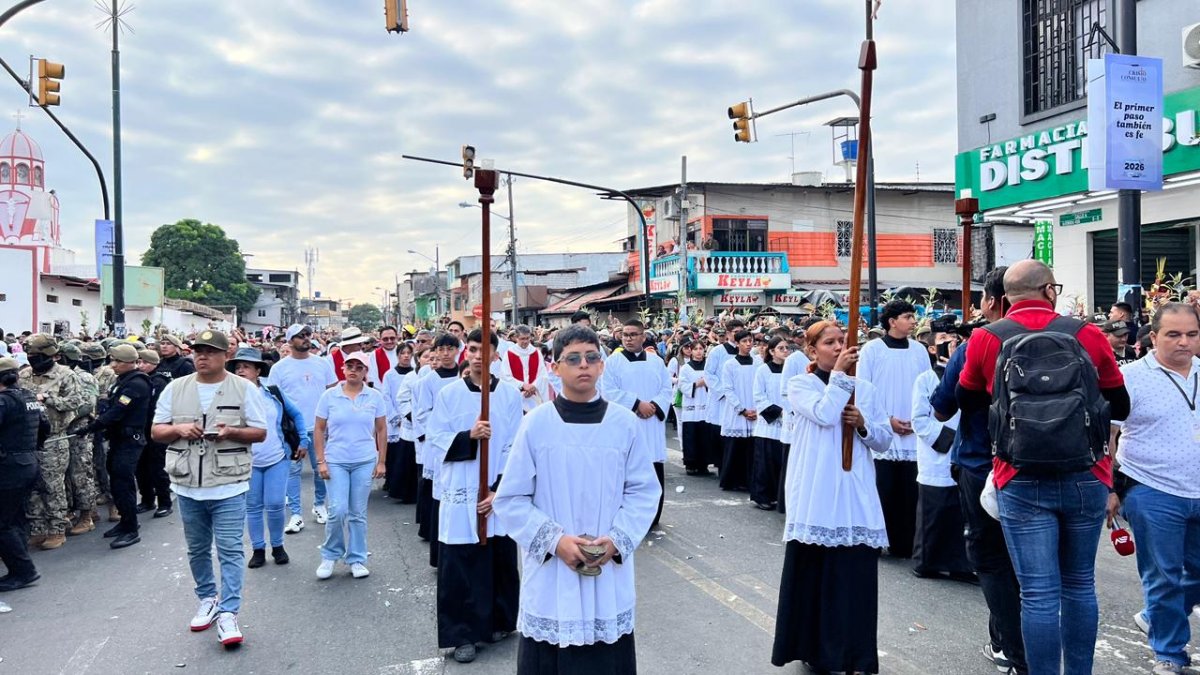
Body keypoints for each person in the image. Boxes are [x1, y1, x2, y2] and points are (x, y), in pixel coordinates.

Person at [957, 259, 1129, 675]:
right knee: (1079, 586)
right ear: (1050, 291)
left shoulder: (986, 338)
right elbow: (1119, 403)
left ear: (1004, 297)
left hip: (1018, 477)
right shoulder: (1087, 334)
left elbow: (968, 402)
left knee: (1037, 593)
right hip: (1086, 476)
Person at [494, 325, 660, 674]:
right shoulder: (537, 424)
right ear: (554, 368)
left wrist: (616, 540)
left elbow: (644, 491)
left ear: (601, 366)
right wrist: (556, 541)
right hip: (554, 570)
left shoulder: (624, 423)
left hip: (607, 566)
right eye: (572, 358)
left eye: (591, 357)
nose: (583, 365)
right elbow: (511, 499)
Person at [772, 321, 893, 672]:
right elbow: (824, 414)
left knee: (852, 578)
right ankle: (816, 651)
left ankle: (854, 652)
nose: (839, 348)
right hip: (817, 489)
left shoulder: (864, 388)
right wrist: (839, 378)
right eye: (830, 343)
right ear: (812, 350)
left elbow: (884, 440)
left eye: (843, 341)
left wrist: (864, 425)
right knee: (815, 576)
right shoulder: (800, 384)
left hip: (853, 490)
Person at [930, 266, 1026, 674]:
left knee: (991, 559)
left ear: (991, 301)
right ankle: (1028, 642)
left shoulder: (977, 344)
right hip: (1048, 466)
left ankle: (1011, 647)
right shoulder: (1069, 335)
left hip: (981, 461)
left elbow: (941, 406)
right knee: (1037, 563)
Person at [151, 330, 267, 647]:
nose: (202, 356)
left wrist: (231, 431)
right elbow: (157, 431)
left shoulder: (244, 389)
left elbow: (260, 432)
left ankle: (229, 612)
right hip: (187, 486)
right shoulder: (175, 389)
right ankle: (207, 598)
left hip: (229, 485)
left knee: (230, 550)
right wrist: (178, 428)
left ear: (225, 356)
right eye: (198, 351)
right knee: (197, 549)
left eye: (211, 351)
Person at [1108, 303, 1200, 675]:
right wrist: (1110, 488)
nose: (1184, 342)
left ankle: (1154, 615)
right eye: (1173, 335)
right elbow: (1108, 435)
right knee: (1163, 573)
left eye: (1191, 334)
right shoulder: (1130, 378)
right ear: (1153, 337)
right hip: (1151, 488)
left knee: (1193, 572)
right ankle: (1170, 654)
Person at [429, 329, 522, 663]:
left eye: (486, 349)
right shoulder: (449, 394)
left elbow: (516, 445)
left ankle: (499, 620)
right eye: (472, 348)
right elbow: (436, 438)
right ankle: (462, 633)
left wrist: (499, 489)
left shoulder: (509, 395)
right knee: (461, 561)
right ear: (466, 353)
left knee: (499, 557)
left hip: (497, 487)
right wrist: (468, 435)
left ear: (496, 354)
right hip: (462, 487)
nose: (478, 355)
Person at [857, 299, 929, 559]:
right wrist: (887, 421)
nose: (913, 321)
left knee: (910, 493)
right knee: (882, 490)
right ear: (892, 321)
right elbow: (864, 389)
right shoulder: (872, 350)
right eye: (908, 317)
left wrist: (917, 420)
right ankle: (876, 541)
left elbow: (927, 388)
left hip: (912, 430)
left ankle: (905, 543)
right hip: (883, 431)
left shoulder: (920, 351)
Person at [313, 351, 387, 580]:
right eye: (350, 366)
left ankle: (356, 557)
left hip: (364, 459)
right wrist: (321, 461)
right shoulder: (329, 396)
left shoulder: (374, 396)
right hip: (336, 459)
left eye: (359, 367)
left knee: (358, 513)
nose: (354, 370)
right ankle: (330, 554)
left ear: (366, 372)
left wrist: (382, 461)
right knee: (337, 510)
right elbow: (319, 429)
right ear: (343, 369)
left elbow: (382, 429)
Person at [230, 347, 306, 569]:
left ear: (257, 370)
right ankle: (258, 549)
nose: (241, 370)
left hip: (277, 456)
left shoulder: (272, 392)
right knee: (252, 506)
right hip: (247, 460)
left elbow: (297, 414)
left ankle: (278, 545)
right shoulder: (230, 396)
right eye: (238, 367)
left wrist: (303, 440)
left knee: (274, 503)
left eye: (246, 366)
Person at [910, 331, 972, 582]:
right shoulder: (925, 379)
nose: (953, 346)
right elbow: (919, 419)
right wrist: (948, 439)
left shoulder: (969, 377)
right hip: (938, 451)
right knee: (935, 511)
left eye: (957, 342)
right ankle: (927, 561)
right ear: (934, 349)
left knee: (962, 512)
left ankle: (962, 564)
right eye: (947, 342)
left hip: (965, 451)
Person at [601, 319, 672, 528]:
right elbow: (609, 391)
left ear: (643, 337)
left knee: (653, 470)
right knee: (627, 471)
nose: (629, 338)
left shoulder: (656, 361)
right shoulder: (613, 362)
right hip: (627, 424)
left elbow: (666, 389)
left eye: (633, 334)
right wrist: (637, 403)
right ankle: (627, 518)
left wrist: (654, 406)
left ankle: (652, 517)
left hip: (651, 424)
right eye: (625, 335)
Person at [20, 334, 88, 551]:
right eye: (30, 355)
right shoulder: (23, 375)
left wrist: (48, 399)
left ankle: (57, 528)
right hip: (28, 438)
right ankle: (38, 528)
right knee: (32, 486)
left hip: (54, 438)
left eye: (37, 355)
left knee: (52, 485)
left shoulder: (65, 375)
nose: (32, 359)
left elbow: (76, 402)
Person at [271, 324, 337, 534]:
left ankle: (319, 505)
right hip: (291, 430)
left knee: (321, 470)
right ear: (290, 341)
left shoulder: (323, 363)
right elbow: (274, 399)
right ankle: (296, 515)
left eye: (307, 335)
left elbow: (332, 393)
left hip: (319, 426)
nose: (305, 339)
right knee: (293, 471)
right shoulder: (279, 368)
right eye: (300, 336)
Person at [0, 357, 49, 591]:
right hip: (28, 462)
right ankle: (20, 566)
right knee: (15, 517)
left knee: (3, 523)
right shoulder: (29, 397)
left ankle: (23, 571)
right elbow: (45, 427)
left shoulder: (3, 402)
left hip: (9, 467)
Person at [413, 334, 464, 554]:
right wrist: (444, 427)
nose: (445, 354)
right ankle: (439, 548)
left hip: (464, 439)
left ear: (457, 350)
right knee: (441, 495)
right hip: (440, 444)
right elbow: (422, 413)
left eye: (450, 349)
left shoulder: (464, 377)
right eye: (441, 349)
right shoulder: (429, 381)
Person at [58, 342, 99, 537]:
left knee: (81, 474)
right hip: (60, 432)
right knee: (63, 476)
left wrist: (64, 416)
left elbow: (88, 405)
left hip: (79, 430)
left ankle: (87, 515)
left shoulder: (85, 377)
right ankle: (68, 512)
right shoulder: (58, 376)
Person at [717, 330, 759, 493]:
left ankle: (749, 480)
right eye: (745, 341)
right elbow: (728, 389)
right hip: (737, 412)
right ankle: (732, 481)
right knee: (735, 448)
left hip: (754, 410)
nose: (749, 344)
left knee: (751, 449)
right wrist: (741, 409)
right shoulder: (730, 364)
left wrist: (757, 410)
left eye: (750, 341)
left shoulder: (758, 363)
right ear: (738, 343)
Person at [750, 336, 789, 510]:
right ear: (772, 351)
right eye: (781, 348)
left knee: (781, 463)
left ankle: (779, 497)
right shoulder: (763, 370)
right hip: (769, 424)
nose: (785, 351)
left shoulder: (790, 370)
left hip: (787, 423)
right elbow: (759, 395)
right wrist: (778, 411)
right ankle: (762, 497)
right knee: (765, 464)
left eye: (787, 348)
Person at [135, 349, 173, 519]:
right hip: (141, 429)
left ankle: (164, 502)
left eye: (144, 362)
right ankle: (147, 499)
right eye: (139, 362)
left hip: (156, 429)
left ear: (154, 364)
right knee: (141, 468)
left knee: (157, 467)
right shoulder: (139, 380)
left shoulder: (159, 382)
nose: (140, 366)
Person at [382, 341, 417, 502]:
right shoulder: (390, 374)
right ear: (397, 356)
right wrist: (396, 417)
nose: (405, 356)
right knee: (394, 454)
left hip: (411, 420)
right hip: (395, 419)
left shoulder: (416, 374)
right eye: (402, 353)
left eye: (408, 353)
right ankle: (391, 482)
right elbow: (387, 397)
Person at [677, 339, 716, 475]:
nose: (699, 351)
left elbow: (715, 382)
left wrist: (709, 382)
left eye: (701, 348)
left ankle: (703, 465)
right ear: (691, 351)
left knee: (705, 435)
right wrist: (697, 383)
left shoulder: (709, 367)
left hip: (706, 404)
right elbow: (682, 385)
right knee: (691, 436)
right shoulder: (686, 368)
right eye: (696, 349)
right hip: (692, 405)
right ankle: (691, 464)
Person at [501, 325, 549, 414]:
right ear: (516, 338)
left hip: (534, 396)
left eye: (527, 338)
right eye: (522, 339)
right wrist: (522, 385)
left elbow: (543, 375)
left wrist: (533, 386)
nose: (526, 341)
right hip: (517, 397)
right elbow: (505, 376)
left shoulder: (536, 352)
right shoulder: (509, 354)